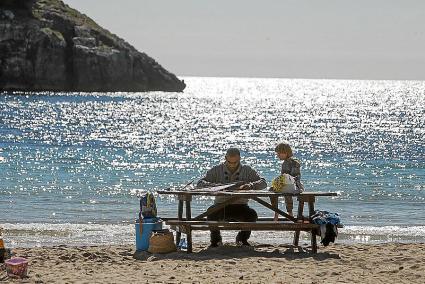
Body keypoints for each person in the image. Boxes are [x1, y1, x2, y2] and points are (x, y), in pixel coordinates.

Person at [197, 148, 267, 247]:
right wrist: (215, 186)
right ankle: (216, 240)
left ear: (240, 159)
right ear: (225, 158)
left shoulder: (247, 170)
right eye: (229, 162)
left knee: (252, 215)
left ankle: (242, 238)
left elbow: (263, 183)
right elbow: (200, 183)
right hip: (220, 206)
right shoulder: (216, 170)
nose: (232, 165)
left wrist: (251, 186)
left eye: (235, 162)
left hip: (241, 206)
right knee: (211, 213)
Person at [274, 142, 304, 216]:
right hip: (288, 184)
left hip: (295, 186)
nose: (277, 156)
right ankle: (276, 212)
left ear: (285, 153)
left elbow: (297, 177)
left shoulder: (294, 163)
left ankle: (289, 213)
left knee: (286, 192)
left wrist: (286, 179)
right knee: (272, 190)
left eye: (279, 153)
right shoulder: (284, 163)